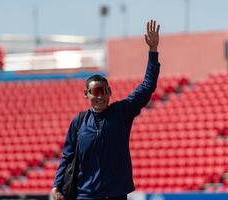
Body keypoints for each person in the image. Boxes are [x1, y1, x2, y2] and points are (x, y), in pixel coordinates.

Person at [51, 20, 161, 200]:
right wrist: (57, 185)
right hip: (85, 195)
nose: (100, 96)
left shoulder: (122, 112)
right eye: (95, 92)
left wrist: (153, 50)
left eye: (103, 91)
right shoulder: (78, 123)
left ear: (109, 92)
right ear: (86, 94)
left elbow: (148, 86)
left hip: (115, 195)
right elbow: (67, 156)